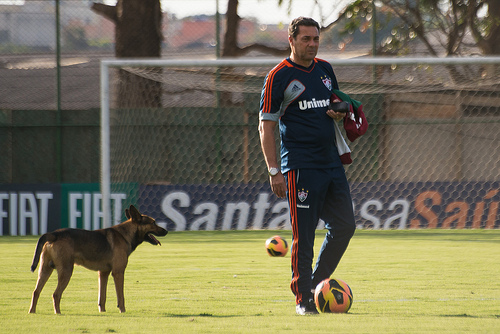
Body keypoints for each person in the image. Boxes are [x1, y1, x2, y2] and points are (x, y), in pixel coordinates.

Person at [258, 17, 356, 315]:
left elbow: (334, 104)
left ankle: (314, 285)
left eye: (315, 39)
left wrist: (340, 113)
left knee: (345, 226)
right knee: (305, 234)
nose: (312, 44)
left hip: (330, 163)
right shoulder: (279, 76)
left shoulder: (325, 69)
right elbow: (266, 127)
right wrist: (274, 169)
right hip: (300, 166)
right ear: (292, 41)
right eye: (306, 39)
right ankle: (303, 300)